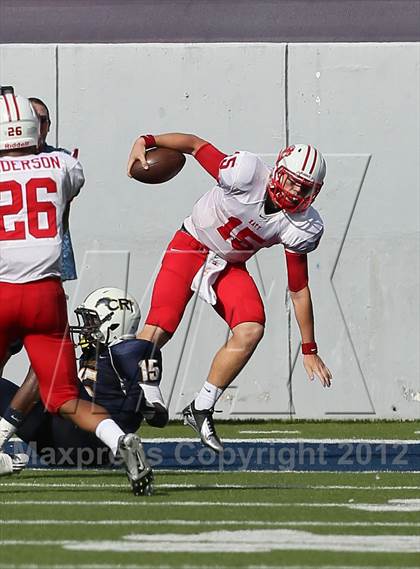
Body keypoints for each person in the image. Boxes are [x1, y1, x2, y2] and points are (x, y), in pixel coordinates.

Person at [127, 132, 333, 453]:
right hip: (191, 243)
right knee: (162, 324)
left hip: (228, 265)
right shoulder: (246, 172)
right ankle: (145, 388)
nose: (294, 192)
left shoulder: (301, 226)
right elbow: (195, 146)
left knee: (251, 328)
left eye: (303, 188)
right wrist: (147, 139)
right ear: (277, 170)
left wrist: (309, 349)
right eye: (292, 182)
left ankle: (202, 407)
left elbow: (299, 288)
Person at [0, 87, 152, 495]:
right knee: (66, 396)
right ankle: (119, 440)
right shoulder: (61, 163)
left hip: (2, 290)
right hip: (46, 294)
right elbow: (70, 185)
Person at [0, 287, 166, 467]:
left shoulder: (130, 351)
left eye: (91, 320)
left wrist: (144, 406)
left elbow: (159, 417)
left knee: (48, 365)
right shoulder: (92, 353)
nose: (86, 327)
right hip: (63, 444)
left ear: (114, 324)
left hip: (97, 445)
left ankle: (119, 442)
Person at [0, 95, 78, 456]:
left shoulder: (56, 159)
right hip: (10, 273)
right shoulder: (59, 162)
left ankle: (6, 427)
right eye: (37, 120)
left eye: (45, 119)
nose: (42, 126)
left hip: (46, 270)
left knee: (43, 359)